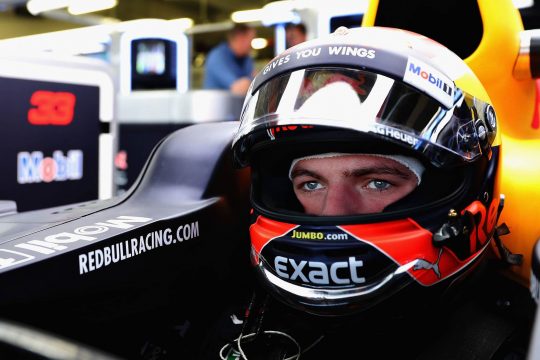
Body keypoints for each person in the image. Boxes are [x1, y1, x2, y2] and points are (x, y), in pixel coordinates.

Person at [219, 26, 532, 359]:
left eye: (377, 183)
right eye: (311, 183)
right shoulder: (232, 331)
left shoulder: (520, 344)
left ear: (469, 189)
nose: (333, 211)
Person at [203, 23, 256, 96]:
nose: (251, 44)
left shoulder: (246, 58)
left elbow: (251, 82)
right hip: (217, 106)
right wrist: (255, 80)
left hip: (236, 105)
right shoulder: (217, 57)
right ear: (240, 38)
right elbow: (239, 88)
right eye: (250, 39)